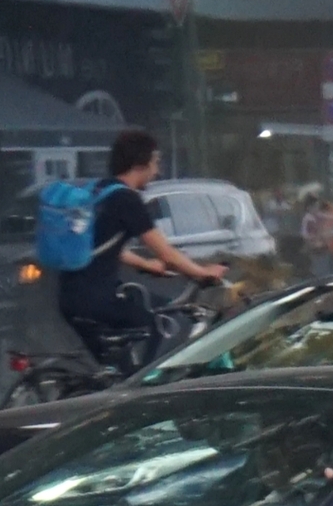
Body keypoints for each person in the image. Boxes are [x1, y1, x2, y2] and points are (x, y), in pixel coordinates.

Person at [55, 129, 225, 372]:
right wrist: (203, 273)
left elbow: (106, 246)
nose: (157, 171)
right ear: (139, 164)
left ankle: (122, 386)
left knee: (118, 373)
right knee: (164, 318)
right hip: (97, 300)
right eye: (155, 163)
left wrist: (146, 265)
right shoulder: (126, 200)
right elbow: (167, 254)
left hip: (71, 298)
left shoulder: (99, 191)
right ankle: (147, 387)